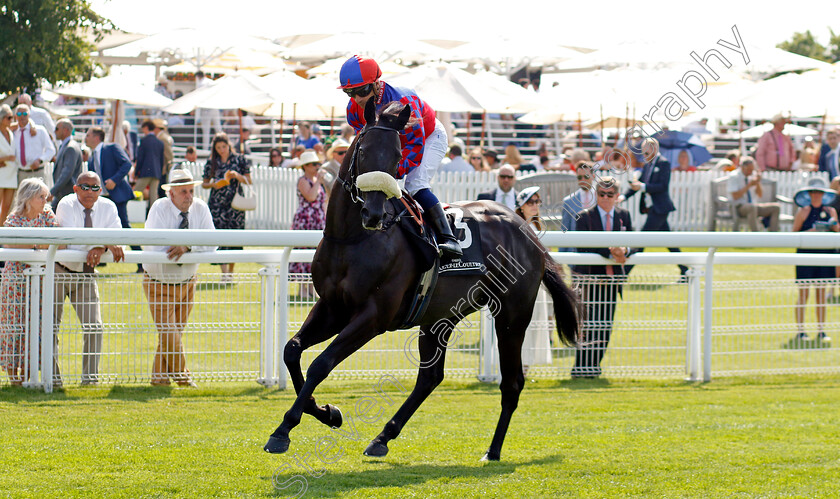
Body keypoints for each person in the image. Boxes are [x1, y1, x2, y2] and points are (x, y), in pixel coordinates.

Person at [339, 55, 462, 258]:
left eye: (362, 91)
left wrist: (393, 173)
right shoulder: (353, 110)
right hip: (392, 142)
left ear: (377, 84)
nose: (357, 99)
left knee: (414, 184)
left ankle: (448, 238)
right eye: (349, 92)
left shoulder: (403, 101)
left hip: (428, 137)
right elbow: (366, 146)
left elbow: (415, 146)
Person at [143, 169, 217, 387]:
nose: (189, 196)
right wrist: (184, 245)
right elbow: (154, 245)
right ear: (171, 194)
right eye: (183, 191)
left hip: (187, 281)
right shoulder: (159, 208)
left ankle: (159, 379)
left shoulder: (200, 208)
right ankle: (183, 377)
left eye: (191, 190)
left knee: (172, 334)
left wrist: (188, 245)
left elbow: (213, 242)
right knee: (170, 333)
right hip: (159, 282)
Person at [53, 172, 125, 385]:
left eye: (95, 187)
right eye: (85, 187)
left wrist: (100, 246)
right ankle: (53, 379)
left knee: (95, 326)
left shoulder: (108, 207)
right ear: (75, 188)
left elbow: (119, 238)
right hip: (59, 270)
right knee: (51, 327)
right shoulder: (66, 203)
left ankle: (90, 379)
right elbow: (72, 240)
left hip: (86, 272)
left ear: (100, 190)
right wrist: (104, 243)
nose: (90, 192)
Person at [571, 177, 635, 378]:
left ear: (617, 196)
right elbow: (582, 245)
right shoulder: (584, 216)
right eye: (601, 194)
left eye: (609, 194)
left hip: (612, 282)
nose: (605, 198)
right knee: (588, 325)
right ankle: (581, 368)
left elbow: (635, 241)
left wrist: (624, 250)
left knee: (605, 326)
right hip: (591, 281)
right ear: (596, 195)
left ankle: (595, 367)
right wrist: (610, 252)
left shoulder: (624, 215)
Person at [0, 178, 59, 386]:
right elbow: (10, 242)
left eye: (45, 196)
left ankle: (28, 373)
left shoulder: (47, 215)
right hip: (15, 280)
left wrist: (31, 246)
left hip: (40, 280)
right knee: (12, 325)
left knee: (35, 325)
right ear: (28, 198)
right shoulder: (14, 219)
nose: (45, 200)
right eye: (40, 197)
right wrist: (39, 245)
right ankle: (13, 377)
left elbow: (58, 241)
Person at [622, 137, 687, 276]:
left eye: (646, 152)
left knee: (641, 241)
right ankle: (685, 269)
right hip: (652, 208)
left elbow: (662, 186)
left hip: (660, 208)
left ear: (654, 149)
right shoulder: (647, 165)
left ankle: (623, 273)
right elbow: (637, 185)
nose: (644, 155)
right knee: (670, 243)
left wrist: (643, 187)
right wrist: (623, 197)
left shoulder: (664, 163)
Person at [791, 179, 839, 344]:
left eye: (819, 192)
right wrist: (811, 230)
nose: (816, 195)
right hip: (806, 254)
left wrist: (832, 226)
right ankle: (801, 330)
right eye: (814, 192)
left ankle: (821, 330)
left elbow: (837, 229)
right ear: (809, 194)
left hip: (825, 254)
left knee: (821, 294)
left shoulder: (830, 210)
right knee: (803, 293)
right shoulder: (803, 211)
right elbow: (794, 233)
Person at [201, 132, 251, 282]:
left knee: (235, 236)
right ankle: (224, 274)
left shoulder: (240, 160)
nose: (222, 150)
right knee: (220, 235)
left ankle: (231, 271)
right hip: (217, 204)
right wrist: (213, 184)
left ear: (228, 145)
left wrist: (237, 176)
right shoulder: (212, 162)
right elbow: (204, 183)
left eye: (224, 146)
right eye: (218, 148)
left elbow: (249, 180)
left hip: (235, 204)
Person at [514, 186, 551, 374]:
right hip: (520, 284)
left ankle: (526, 367)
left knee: (536, 324)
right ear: (521, 206)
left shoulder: (539, 226)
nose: (535, 205)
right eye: (531, 202)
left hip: (538, 283)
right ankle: (517, 366)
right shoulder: (515, 225)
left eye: (537, 201)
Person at [290, 150, 327, 298]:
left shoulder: (317, 181)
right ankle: (303, 288)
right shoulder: (303, 181)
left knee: (315, 253)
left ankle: (312, 288)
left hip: (317, 220)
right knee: (303, 252)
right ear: (305, 166)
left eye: (318, 164)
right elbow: (311, 197)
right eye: (314, 164)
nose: (317, 167)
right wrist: (318, 181)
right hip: (305, 220)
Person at [83, 126, 133, 229]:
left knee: (123, 225)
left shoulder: (112, 148)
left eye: (88, 135)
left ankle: (137, 246)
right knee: (104, 226)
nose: (85, 138)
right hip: (102, 197)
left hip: (117, 194)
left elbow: (127, 164)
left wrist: (114, 180)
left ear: (96, 137)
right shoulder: (91, 157)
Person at [727, 156, 780, 232]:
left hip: (753, 205)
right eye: (748, 170)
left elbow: (760, 194)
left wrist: (757, 182)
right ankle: (756, 234)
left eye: (752, 170)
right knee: (752, 208)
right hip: (739, 207)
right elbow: (735, 196)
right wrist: (749, 185)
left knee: (775, 208)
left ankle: (773, 235)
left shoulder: (753, 175)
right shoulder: (734, 176)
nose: (750, 172)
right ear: (742, 167)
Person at [13, 104, 55, 184]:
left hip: (37, 172)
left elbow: (51, 150)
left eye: (25, 114)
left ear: (29, 115)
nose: (22, 116)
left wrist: (40, 160)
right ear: (16, 116)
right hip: (21, 173)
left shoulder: (40, 130)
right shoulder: (13, 133)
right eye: (19, 114)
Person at [560, 161, 597, 243]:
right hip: (576, 246)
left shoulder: (602, 198)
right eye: (579, 177)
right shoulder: (568, 201)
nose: (583, 180)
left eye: (586, 176)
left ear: (593, 176)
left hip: (597, 245)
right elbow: (565, 230)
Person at [50, 118, 83, 208]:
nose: (55, 131)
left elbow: (67, 172)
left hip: (67, 193)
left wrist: (53, 191)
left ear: (65, 130)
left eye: (57, 129)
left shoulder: (70, 147)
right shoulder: (65, 145)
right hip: (63, 193)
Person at [133, 120, 164, 208]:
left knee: (136, 191)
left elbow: (140, 158)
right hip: (156, 172)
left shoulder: (144, 141)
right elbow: (162, 160)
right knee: (153, 196)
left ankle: (133, 211)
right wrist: (160, 172)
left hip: (145, 172)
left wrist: (136, 172)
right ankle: (154, 215)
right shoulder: (160, 142)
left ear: (146, 128)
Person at [0, 105, 19, 223]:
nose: (11, 120)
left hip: (11, 173)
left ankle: (1, 233)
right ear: (1, 118)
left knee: (7, 206)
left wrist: (31, 125)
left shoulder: (11, 132)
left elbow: (26, 121)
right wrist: (5, 158)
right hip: (1, 172)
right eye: (9, 117)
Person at [195, 71, 223, 151]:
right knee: (218, 129)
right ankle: (223, 145)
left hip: (206, 109)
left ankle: (205, 149)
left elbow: (199, 97)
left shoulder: (201, 84)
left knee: (206, 131)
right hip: (214, 108)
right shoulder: (211, 82)